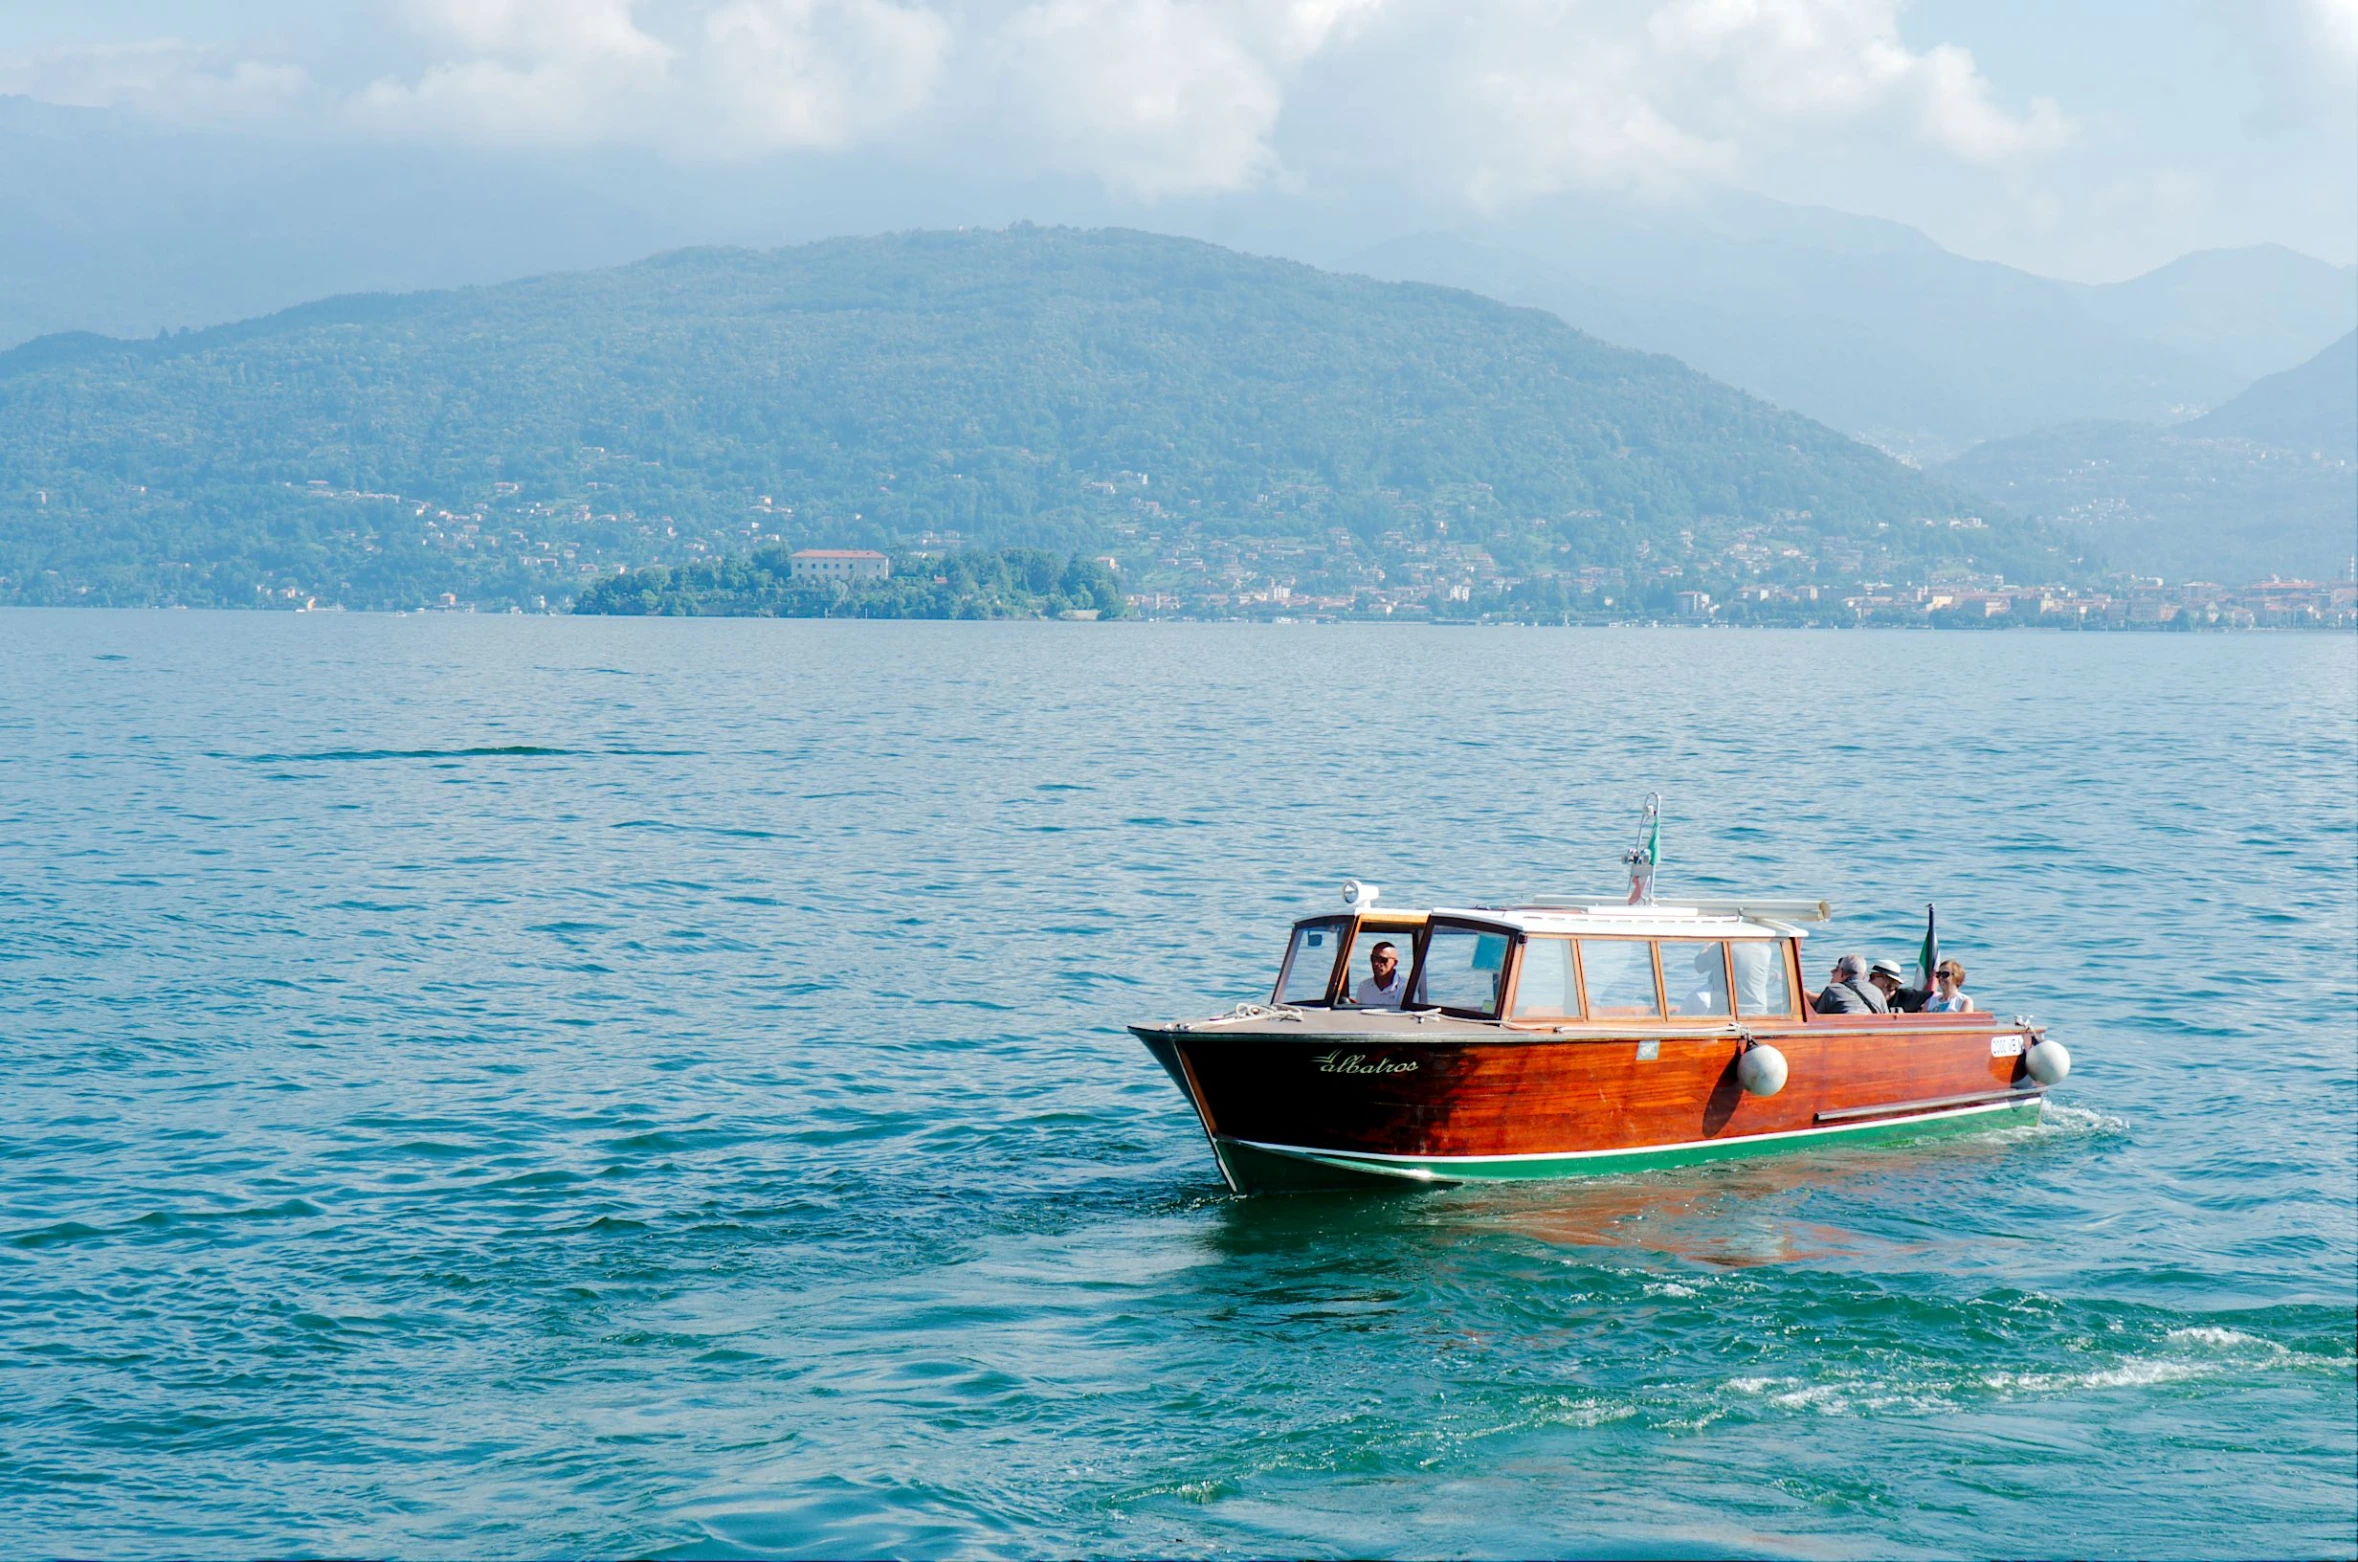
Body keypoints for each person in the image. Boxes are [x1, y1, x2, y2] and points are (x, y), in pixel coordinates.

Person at [1813, 954, 1887, 1014]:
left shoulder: (1832, 990)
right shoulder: (1877, 992)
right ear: (1864, 975)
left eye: (1837, 969)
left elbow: (1817, 1017)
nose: (1832, 971)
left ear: (1842, 972)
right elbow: (1886, 1018)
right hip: (1871, 1029)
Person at [1353, 941, 1406, 1008]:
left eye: (1383, 960)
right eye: (1373, 959)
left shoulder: (1405, 988)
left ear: (1394, 963)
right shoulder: (1364, 986)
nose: (1376, 963)